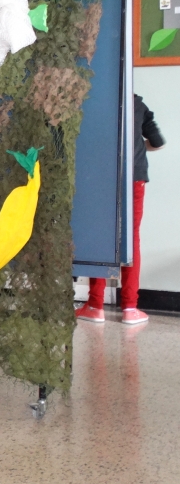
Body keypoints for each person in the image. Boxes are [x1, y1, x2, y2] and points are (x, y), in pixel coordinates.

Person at [76, 94, 165, 326]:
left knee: (99, 238)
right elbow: (157, 142)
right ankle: (130, 308)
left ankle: (95, 306)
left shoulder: (94, 99)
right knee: (131, 239)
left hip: (100, 177)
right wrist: (139, 148)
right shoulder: (138, 104)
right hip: (134, 177)